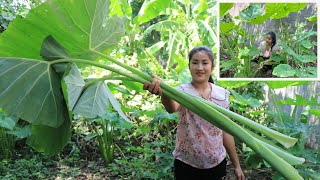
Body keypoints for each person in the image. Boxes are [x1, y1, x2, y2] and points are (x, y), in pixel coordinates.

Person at [143, 46, 245, 180]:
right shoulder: (181, 92)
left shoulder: (221, 94)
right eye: (195, 63)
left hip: (216, 163)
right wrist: (164, 92)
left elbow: (226, 131)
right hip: (187, 164)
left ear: (212, 67)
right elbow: (171, 108)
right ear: (189, 66)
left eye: (205, 63)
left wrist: (237, 165)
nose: (200, 67)